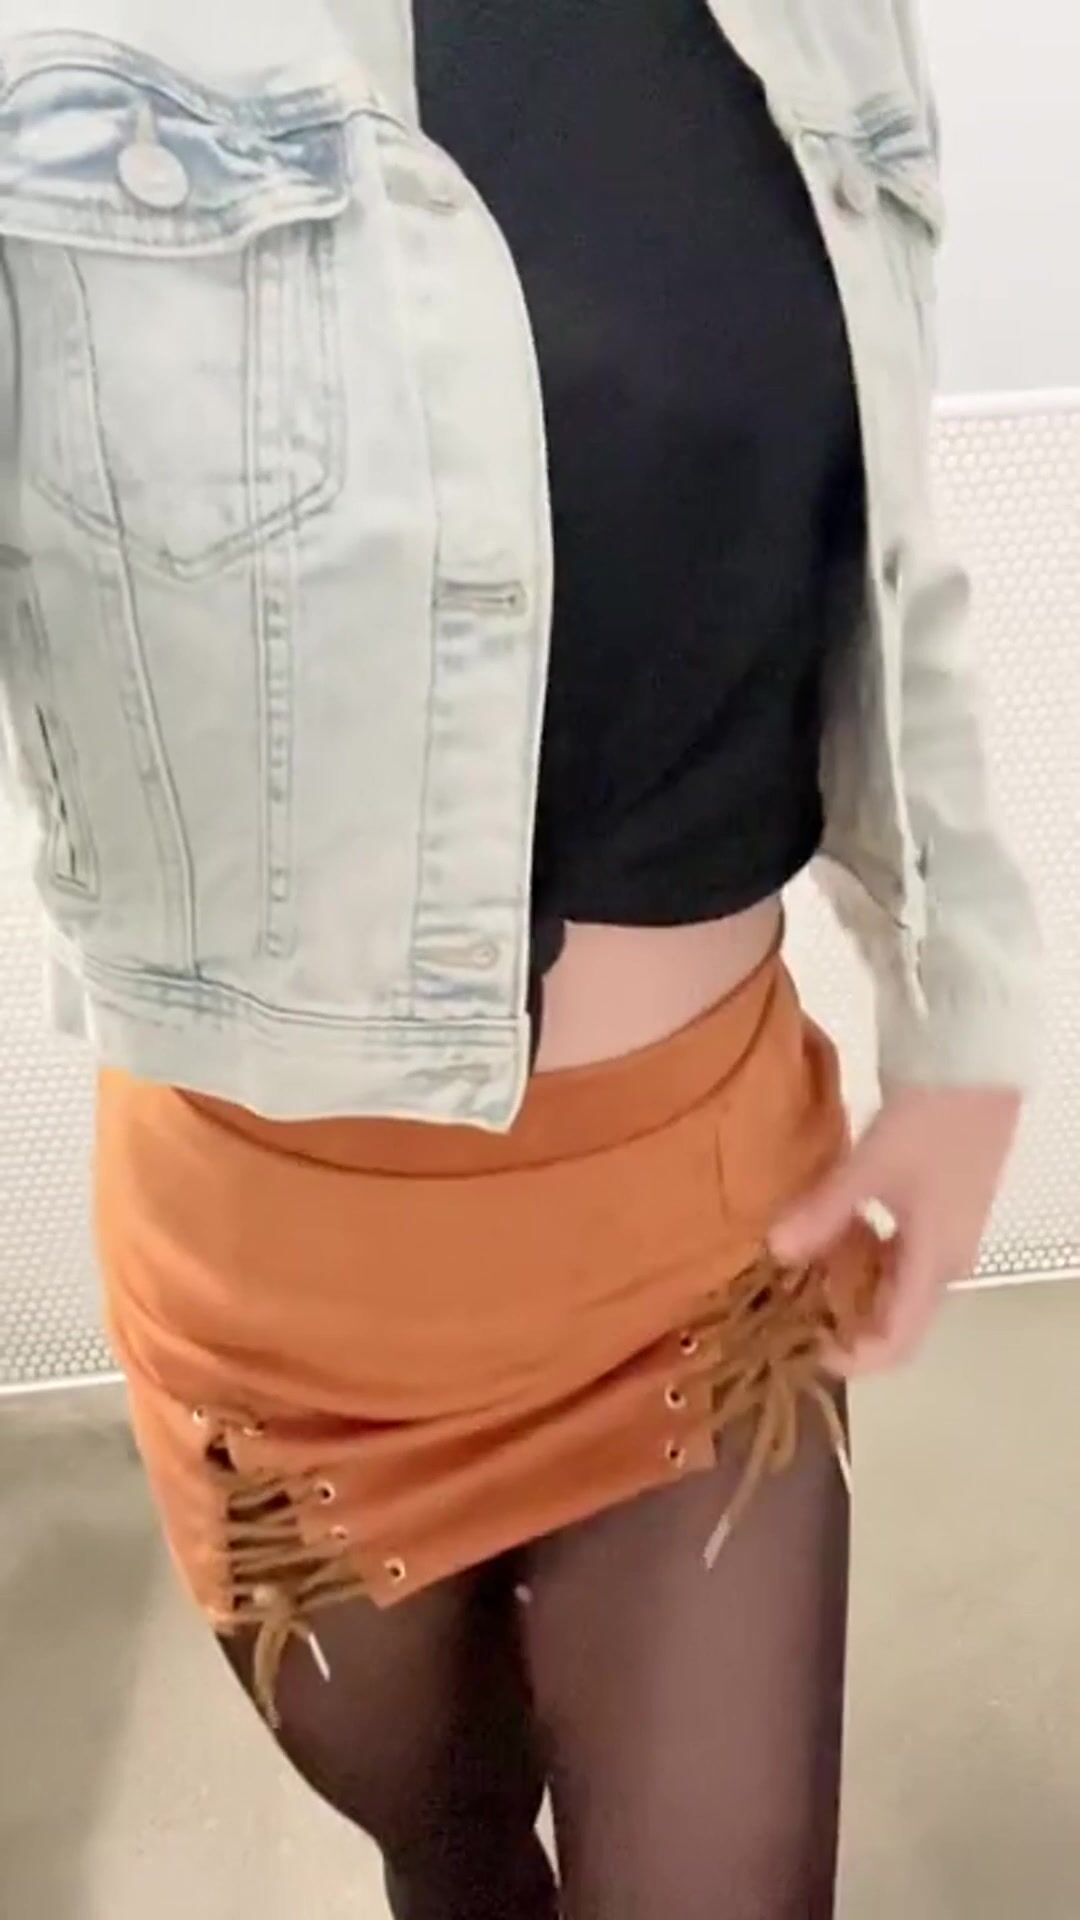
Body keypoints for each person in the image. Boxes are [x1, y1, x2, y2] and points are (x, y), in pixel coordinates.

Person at [0, 3, 1039, 1916]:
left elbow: (886, 533)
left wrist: (966, 999)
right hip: (286, 1291)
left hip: (704, 1231)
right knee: (458, 1855)